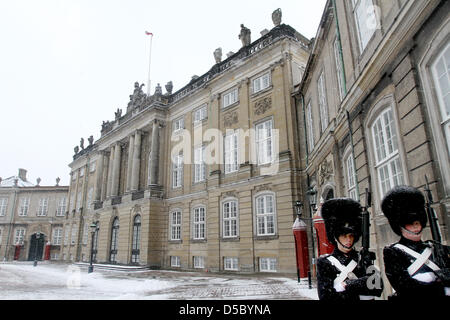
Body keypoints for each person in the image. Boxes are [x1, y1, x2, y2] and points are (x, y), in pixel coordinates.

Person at [381, 185, 450, 299]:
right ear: (400, 224)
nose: (416, 227)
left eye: (418, 222)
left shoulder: (434, 247)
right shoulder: (393, 252)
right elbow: (405, 287)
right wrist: (441, 287)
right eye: (411, 223)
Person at [317, 198, 383, 300]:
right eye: (344, 236)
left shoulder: (362, 257)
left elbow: (377, 287)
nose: (348, 240)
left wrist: (347, 285)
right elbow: (326, 296)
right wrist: (362, 286)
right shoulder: (325, 262)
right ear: (336, 237)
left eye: (351, 236)